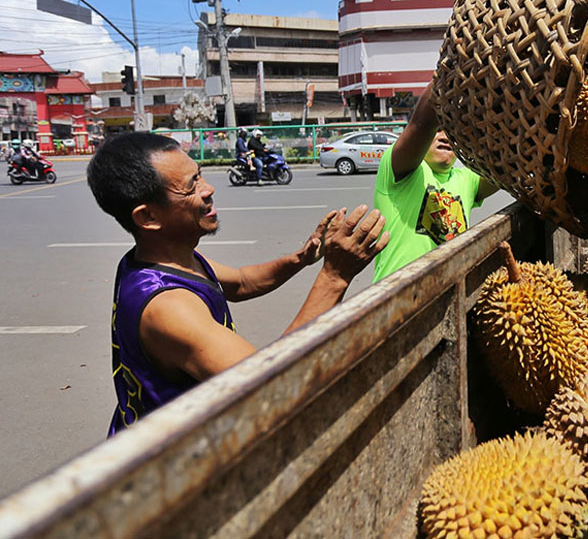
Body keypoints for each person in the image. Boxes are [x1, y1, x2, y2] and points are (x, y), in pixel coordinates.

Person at [86, 132, 388, 435]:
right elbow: (270, 387)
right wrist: (334, 277)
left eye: (200, 176)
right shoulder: (169, 308)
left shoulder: (166, 259)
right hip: (174, 470)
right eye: (191, 186)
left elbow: (241, 282)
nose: (208, 189)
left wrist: (302, 257)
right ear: (148, 216)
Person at [372, 82, 499, 282]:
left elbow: (505, 168)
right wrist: (452, 76)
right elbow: (422, 121)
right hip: (393, 296)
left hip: (444, 294)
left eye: (451, 132)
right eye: (438, 131)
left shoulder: (467, 180)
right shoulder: (400, 168)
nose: (444, 137)